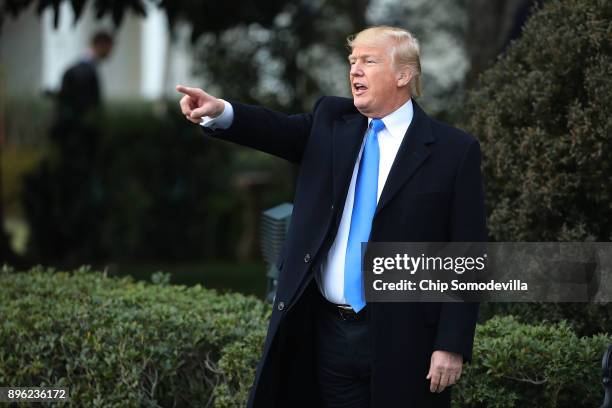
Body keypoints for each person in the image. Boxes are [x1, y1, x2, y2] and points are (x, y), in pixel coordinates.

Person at [177, 25, 486, 408]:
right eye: (352, 61)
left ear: (404, 75)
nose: (354, 70)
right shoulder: (330, 122)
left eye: (368, 61)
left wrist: (451, 345)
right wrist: (221, 111)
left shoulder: (453, 151)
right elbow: (274, 130)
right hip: (328, 334)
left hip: (406, 340)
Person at [57, 30, 114, 119]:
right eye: (109, 48)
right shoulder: (87, 71)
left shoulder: (76, 68)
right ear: (102, 46)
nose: (110, 53)